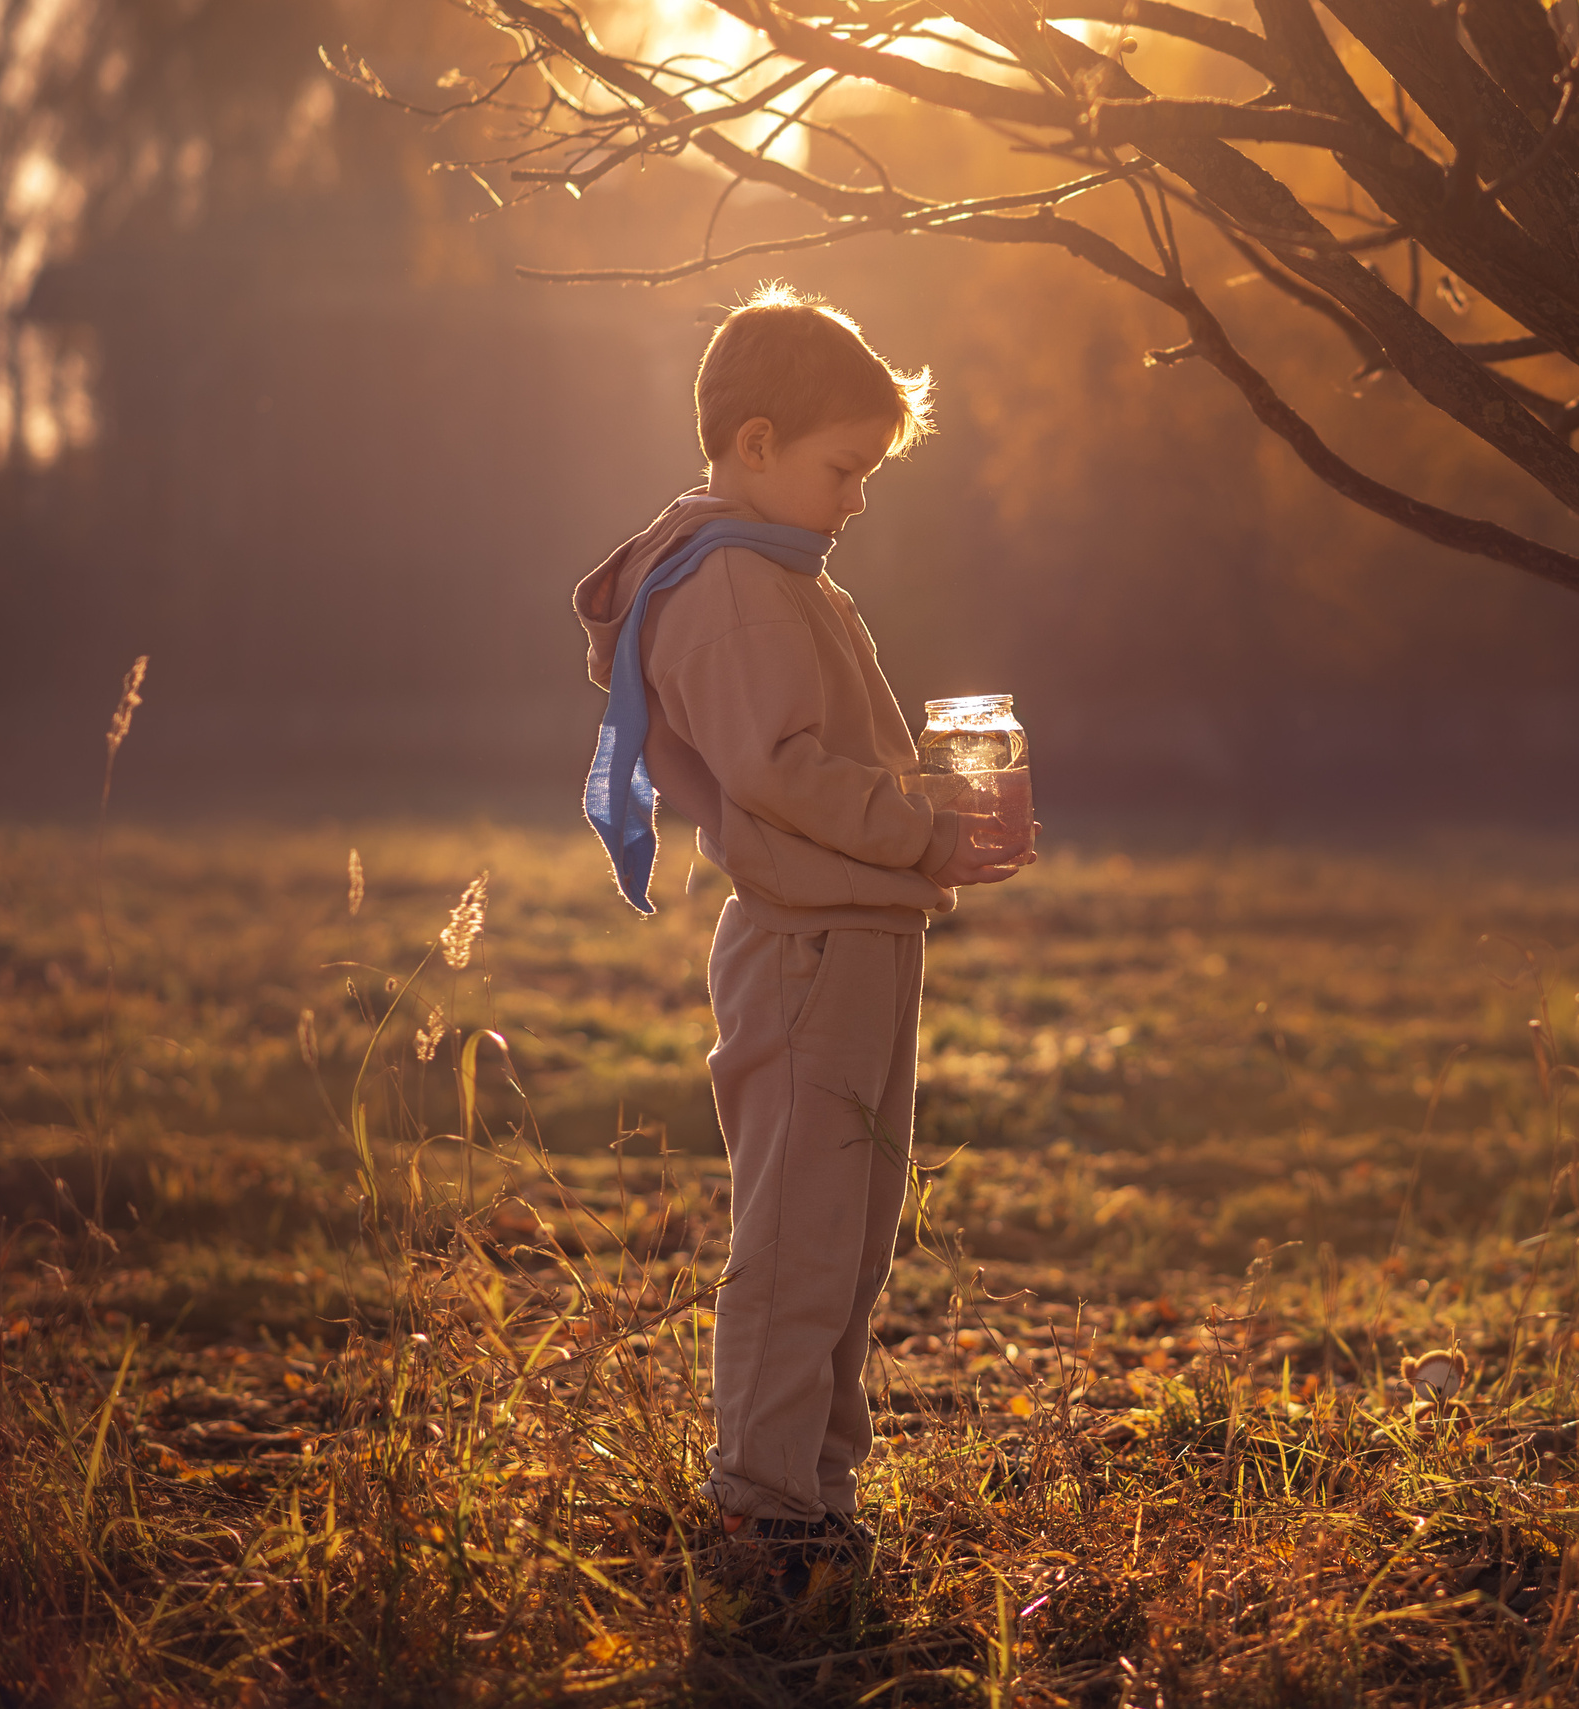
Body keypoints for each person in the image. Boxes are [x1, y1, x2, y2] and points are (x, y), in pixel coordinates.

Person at [574, 282, 1031, 1600]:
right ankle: (763, 1508)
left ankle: (815, 1494)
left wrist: (937, 833)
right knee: (798, 1233)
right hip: (807, 947)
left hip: (863, 936)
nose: (860, 496)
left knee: (855, 1226)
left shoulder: (784, 575)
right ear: (756, 442)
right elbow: (782, 774)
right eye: (846, 467)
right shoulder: (728, 583)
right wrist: (932, 823)